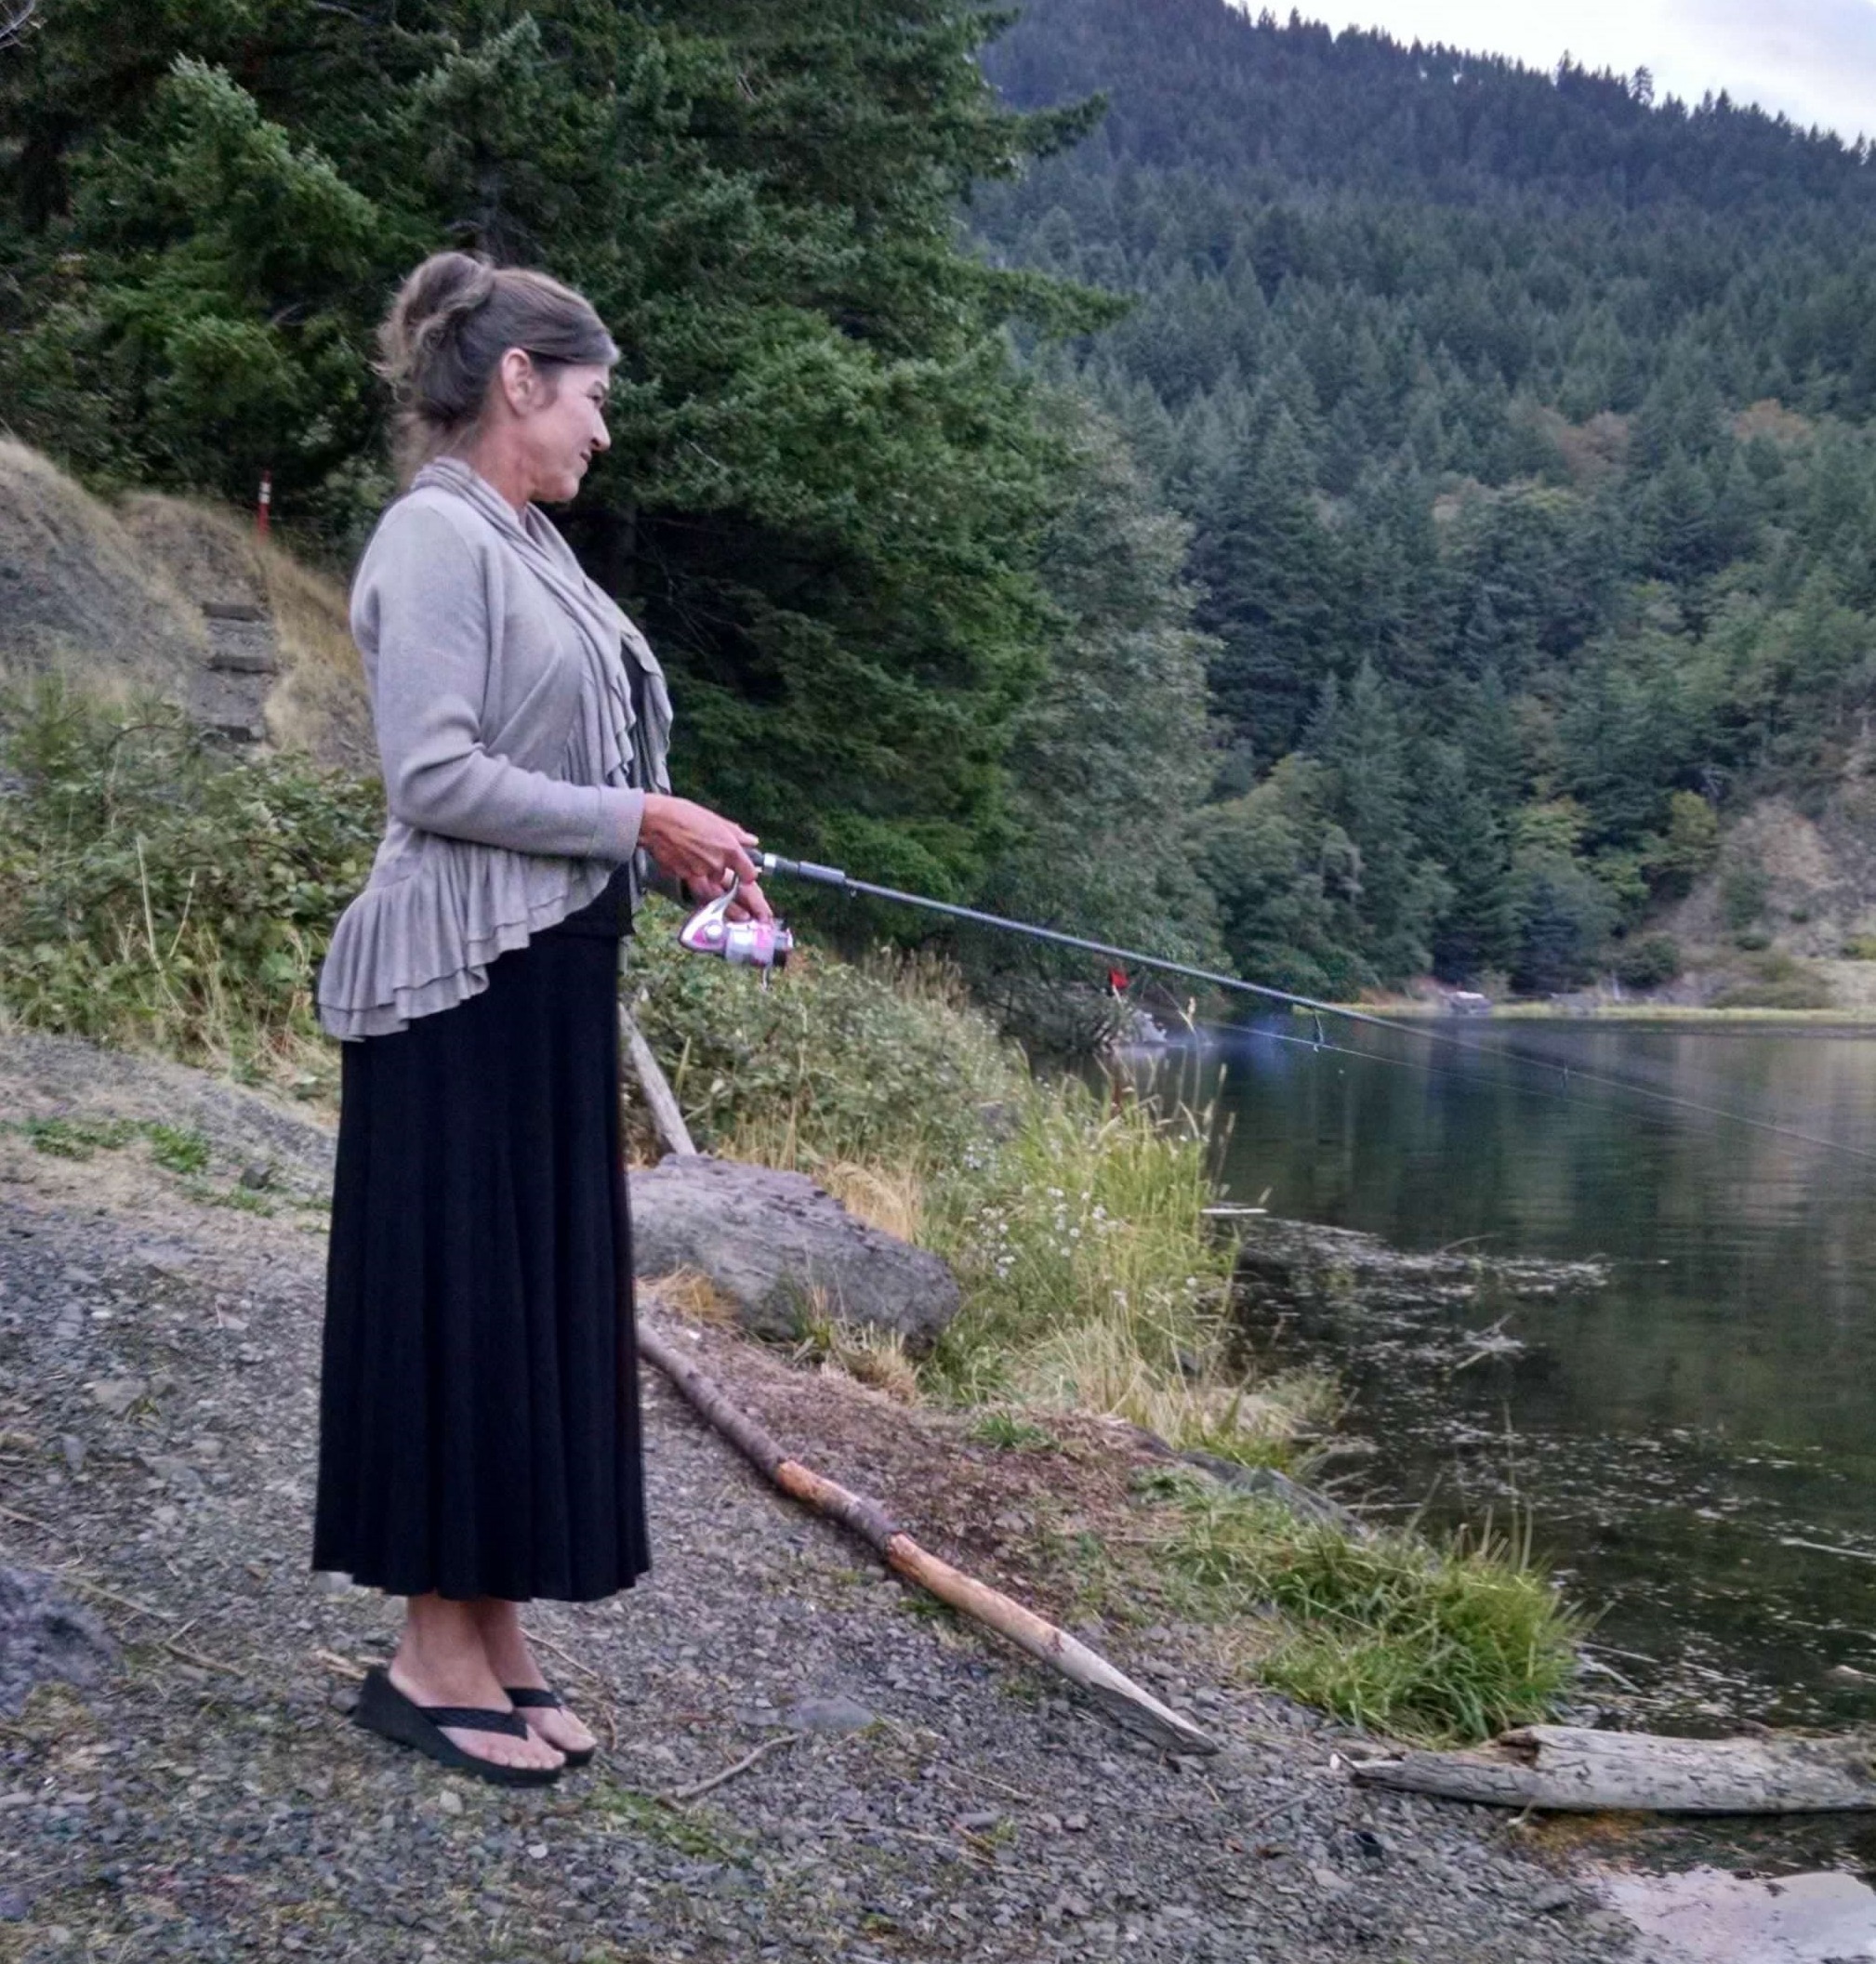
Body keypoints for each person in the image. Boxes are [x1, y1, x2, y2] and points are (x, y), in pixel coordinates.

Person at [311, 250, 771, 1786]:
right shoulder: (435, 540)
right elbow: (429, 778)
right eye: (589, 398)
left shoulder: (526, 542)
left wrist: (657, 828)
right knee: (461, 1308)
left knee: (521, 1314)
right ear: (517, 381)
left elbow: (569, 763)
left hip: (538, 984)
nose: (602, 432)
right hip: (454, 990)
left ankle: (488, 1628)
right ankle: (424, 1655)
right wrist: (638, 814)